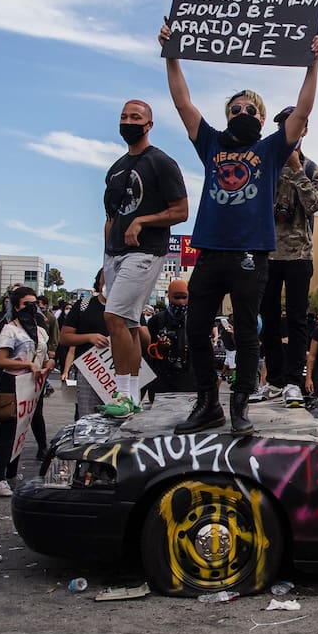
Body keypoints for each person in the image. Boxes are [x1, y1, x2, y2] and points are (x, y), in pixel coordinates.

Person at [161, 21, 318, 435]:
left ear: (263, 118)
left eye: (250, 110)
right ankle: (206, 403)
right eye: (235, 109)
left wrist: (313, 65)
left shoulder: (270, 150)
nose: (242, 114)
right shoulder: (213, 143)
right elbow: (183, 104)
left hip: (252, 254)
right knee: (197, 329)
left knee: (249, 336)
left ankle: (239, 407)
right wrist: (172, 53)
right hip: (210, 252)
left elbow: (303, 111)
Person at [99, 98, 190, 416]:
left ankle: (123, 393)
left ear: (149, 124)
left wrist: (142, 221)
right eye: (123, 116)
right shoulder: (116, 169)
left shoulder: (161, 162)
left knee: (114, 318)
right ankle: (132, 395)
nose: (128, 121)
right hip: (115, 255)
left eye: (135, 116)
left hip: (146, 250)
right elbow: (110, 218)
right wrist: (105, 262)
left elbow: (181, 211)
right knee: (129, 324)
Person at [261, 106, 318, 408]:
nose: (289, 130)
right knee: (269, 320)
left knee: (298, 320)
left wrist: (297, 170)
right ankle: (273, 380)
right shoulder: (266, 167)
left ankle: (293, 382)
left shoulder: (315, 171)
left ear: (305, 130)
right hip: (267, 254)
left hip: (299, 255)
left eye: (295, 125)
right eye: (284, 126)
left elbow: (313, 205)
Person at [0, 286, 53, 498]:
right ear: (16, 306)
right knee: (8, 431)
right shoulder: (9, 329)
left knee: (22, 430)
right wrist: (27, 364)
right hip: (12, 383)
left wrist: (48, 363)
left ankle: (12, 474)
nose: (31, 308)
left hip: (34, 385)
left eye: (34, 303)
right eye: (26, 304)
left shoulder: (40, 330)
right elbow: (1, 360)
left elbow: (45, 354)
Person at [59, 271, 110, 420]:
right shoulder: (84, 305)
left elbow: (144, 338)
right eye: (105, 279)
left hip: (118, 374)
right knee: (88, 419)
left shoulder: (129, 306)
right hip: (90, 371)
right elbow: (65, 338)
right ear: (99, 282)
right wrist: (89, 337)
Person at [142, 279, 196, 398]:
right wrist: (159, 348)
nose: (181, 302)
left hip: (190, 382)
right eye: (176, 297)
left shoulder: (195, 321)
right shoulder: (156, 321)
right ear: (169, 296)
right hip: (162, 382)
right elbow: (146, 352)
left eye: (184, 297)